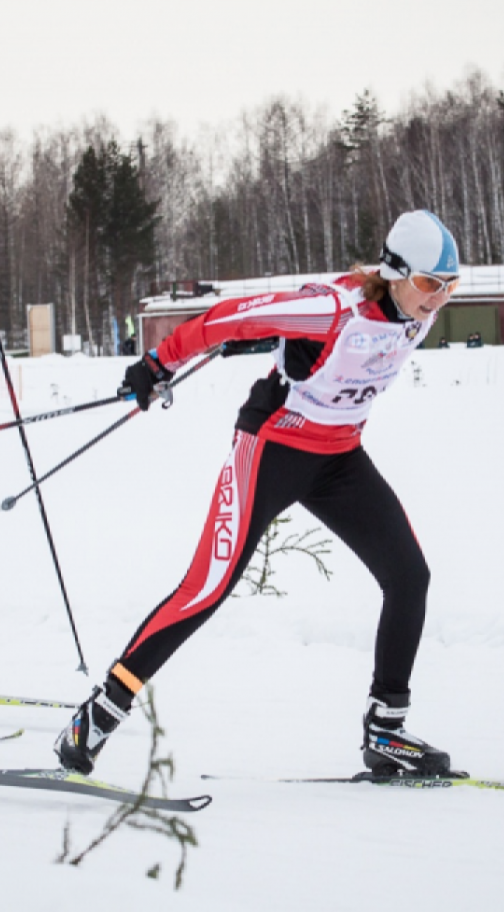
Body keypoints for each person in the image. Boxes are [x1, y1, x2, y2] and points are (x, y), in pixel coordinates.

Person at [56, 210, 462, 779]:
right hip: (274, 447)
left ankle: (386, 731)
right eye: (428, 283)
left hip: (340, 457)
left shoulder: (414, 312)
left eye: (451, 286)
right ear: (394, 271)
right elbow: (229, 318)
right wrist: (158, 362)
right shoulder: (329, 308)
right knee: (207, 587)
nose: (438, 299)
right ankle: (97, 715)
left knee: (409, 575)